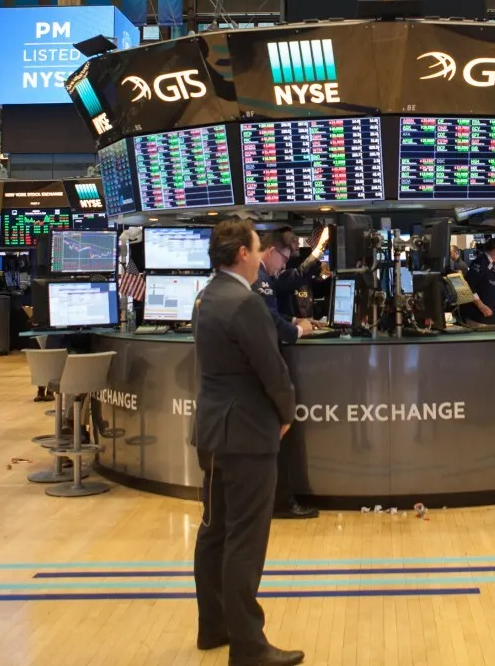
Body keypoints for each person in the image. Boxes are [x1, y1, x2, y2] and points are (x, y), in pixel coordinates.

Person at [192, 218, 303, 666]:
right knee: (245, 539)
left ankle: (213, 625)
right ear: (241, 253)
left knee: (215, 530)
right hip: (247, 435)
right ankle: (249, 645)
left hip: (214, 432)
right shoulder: (245, 303)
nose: (261, 257)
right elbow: (271, 370)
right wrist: (286, 412)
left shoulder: (205, 296)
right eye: (257, 249)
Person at [255, 228, 325, 521]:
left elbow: (269, 317)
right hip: (265, 371)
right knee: (277, 441)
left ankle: (276, 501)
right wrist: (297, 329)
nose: (284, 266)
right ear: (269, 252)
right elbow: (269, 324)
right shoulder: (260, 282)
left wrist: (295, 319)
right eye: (284, 258)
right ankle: (281, 503)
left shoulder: (257, 280)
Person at [461, 237, 495, 324]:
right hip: (478, 318)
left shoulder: (491, 265)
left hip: (488, 319)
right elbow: (469, 286)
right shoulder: (480, 263)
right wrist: (481, 306)